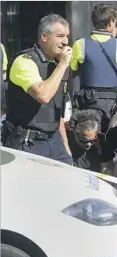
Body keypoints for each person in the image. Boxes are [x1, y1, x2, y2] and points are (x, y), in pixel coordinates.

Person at [1, 14, 72, 165]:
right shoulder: (25, 62)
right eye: (60, 36)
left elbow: (55, 109)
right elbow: (43, 95)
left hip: (54, 142)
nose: (65, 42)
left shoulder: (57, 64)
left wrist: (65, 145)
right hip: (28, 143)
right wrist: (62, 66)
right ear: (44, 37)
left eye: (67, 36)